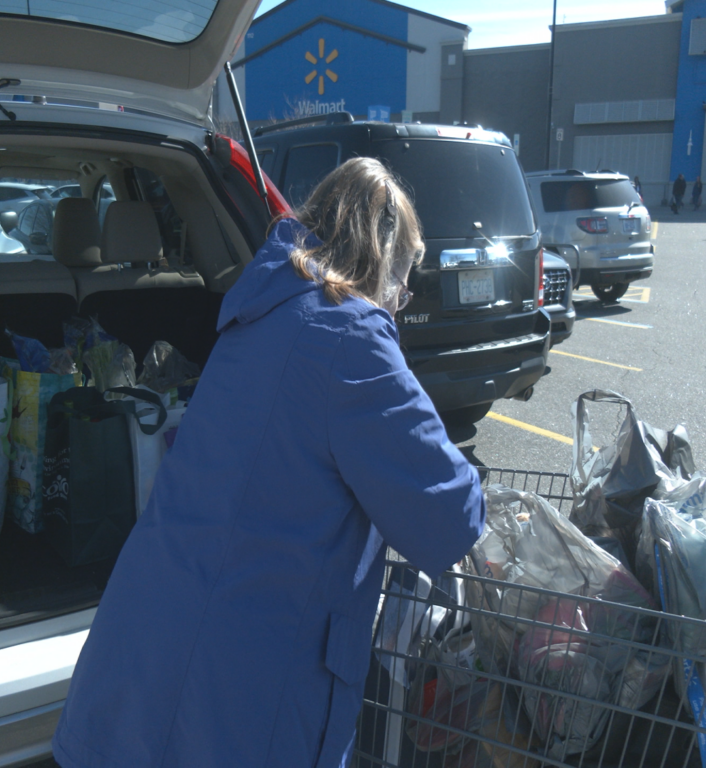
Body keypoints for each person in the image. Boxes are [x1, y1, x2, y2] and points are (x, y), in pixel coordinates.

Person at [52, 157, 487, 768]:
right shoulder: (353, 339)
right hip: (233, 695)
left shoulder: (259, 315)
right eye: (404, 283)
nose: (400, 302)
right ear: (382, 256)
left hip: (145, 650)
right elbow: (449, 519)